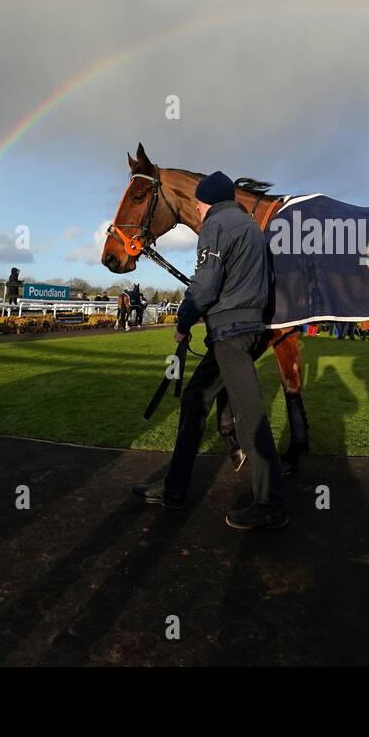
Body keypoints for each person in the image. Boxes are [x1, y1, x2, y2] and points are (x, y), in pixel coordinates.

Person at [130, 171, 286, 531]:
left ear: (210, 201)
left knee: (249, 416)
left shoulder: (215, 226)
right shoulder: (251, 228)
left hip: (230, 332)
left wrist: (184, 322)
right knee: (195, 400)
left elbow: (204, 285)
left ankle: (272, 504)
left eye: (200, 202)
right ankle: (173, 488)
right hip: (242, 330)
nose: (197, 208)